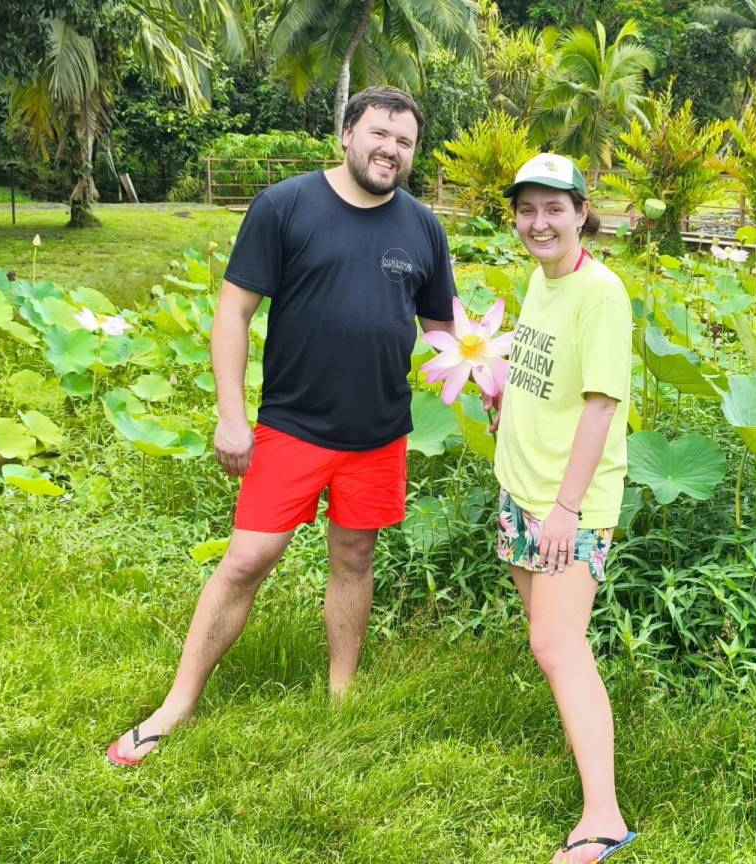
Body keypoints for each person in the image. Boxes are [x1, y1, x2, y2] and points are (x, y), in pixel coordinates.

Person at [108, 87, 457, 766]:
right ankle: (176, 704)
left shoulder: (423, 228)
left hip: (380, 433)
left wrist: (490, 376)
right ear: (347, 134)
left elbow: (444, 329)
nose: (390, 150)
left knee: (355, 558)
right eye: (379, 134)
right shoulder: (286, 205)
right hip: (293, 426)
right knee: (246, 559)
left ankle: (341, 693)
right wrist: (231, 417)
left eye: (405, 142)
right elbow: (233, 313)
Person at [491, 153, 637, 863]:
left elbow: (603, 404)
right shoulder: (540, 277)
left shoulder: (600, 294)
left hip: (566, 503)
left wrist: (567, 509)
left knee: (557, 644)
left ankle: (603, 817)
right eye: (527, 209)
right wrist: (504, 396)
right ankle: (586, 756)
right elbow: (547, 370)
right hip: (521, 488)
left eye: (554, 208)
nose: (539, 222)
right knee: (550, 641)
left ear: (582, 213)